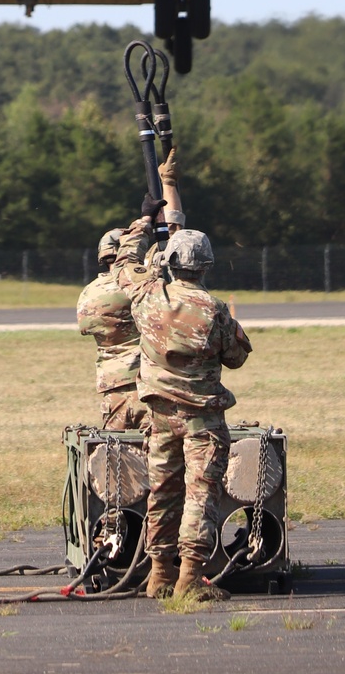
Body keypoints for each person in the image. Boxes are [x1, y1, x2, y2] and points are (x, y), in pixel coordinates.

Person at [113, 211, 252, 601]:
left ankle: (159, 574)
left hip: (160, 417)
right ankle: (189, 579)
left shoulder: (147, 295)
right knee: (201, 494)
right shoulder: (213, 309)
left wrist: (142, 224)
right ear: (206, 266)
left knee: (163, 491)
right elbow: (237, 357)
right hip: (202, 422)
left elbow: (124, 264)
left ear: (170, 263)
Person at [77, 228, 147, 431]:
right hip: (145, 384)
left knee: (118, 455)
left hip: (112, 387)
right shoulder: (138, 287)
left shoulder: (89, 292)